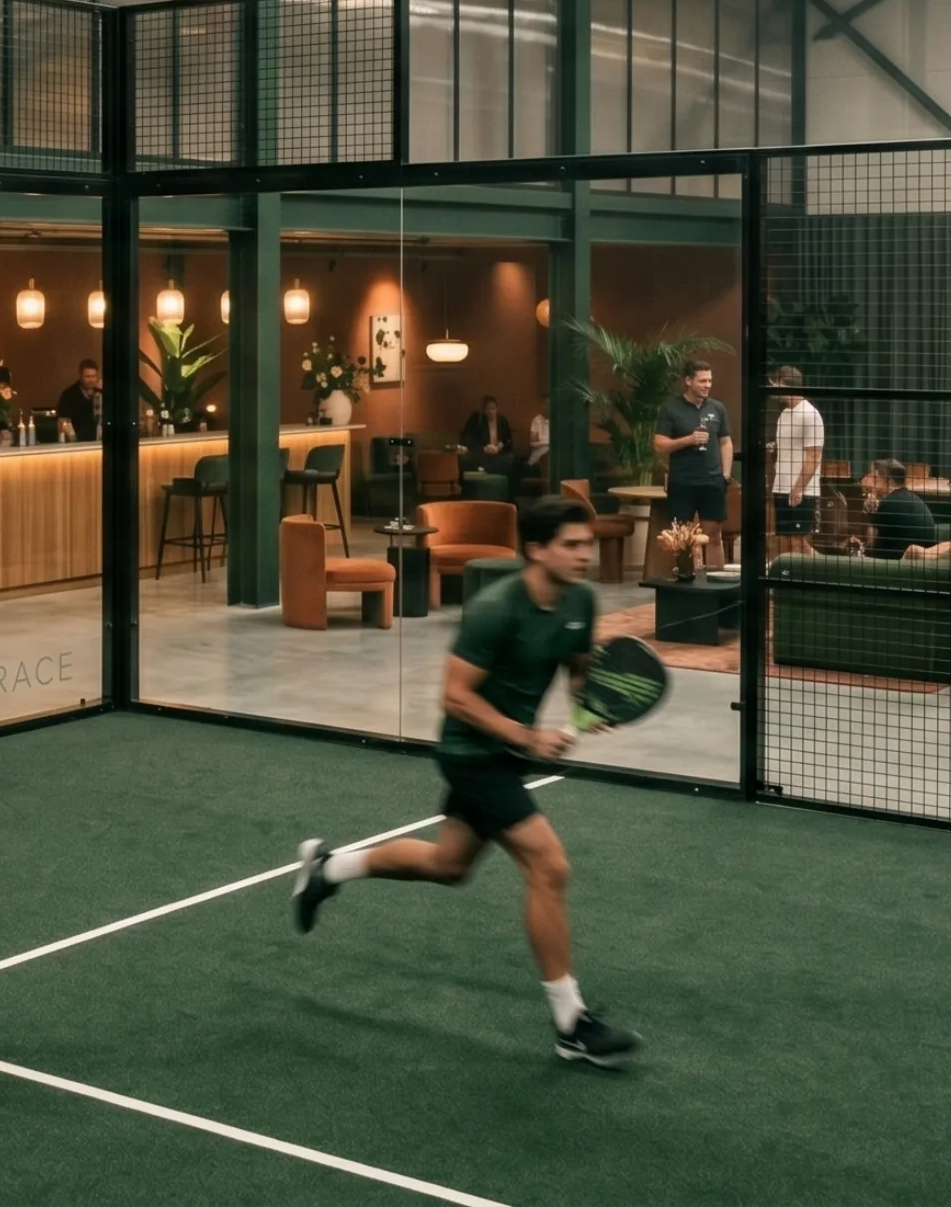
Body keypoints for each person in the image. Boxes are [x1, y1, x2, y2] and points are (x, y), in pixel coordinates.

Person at [289, 495, 638, 1069]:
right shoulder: (496, 609)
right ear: (536, 550)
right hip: (471, 753)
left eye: (588, 544)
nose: (585, 554)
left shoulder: (581, 600)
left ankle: (329, 870)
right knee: (549, 866)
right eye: (572, 545)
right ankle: (571, 1023)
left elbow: (576, 665)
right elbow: (455, 696)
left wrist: (585, 704)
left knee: (448, 865)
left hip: (506, 753)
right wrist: (527, 738)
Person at [654, 360, 733, 564]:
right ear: (688, 381)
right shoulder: (671, 409)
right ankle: (685, 580)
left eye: (710, 381)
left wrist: (725, 474)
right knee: (683, 539)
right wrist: (688, 440)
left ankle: (716, 583)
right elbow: (659, 445)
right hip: (683, 482)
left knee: (714, 536)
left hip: (712, 481)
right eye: (702, 381)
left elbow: (725, 442)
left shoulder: (717, 408)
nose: (707, 385)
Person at [858, 460, 951, 561]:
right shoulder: (914, 498)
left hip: (896, 564)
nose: (873, 484)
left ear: (888, 480)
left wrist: (871, 513)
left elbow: (871, 542)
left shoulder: (888, 504)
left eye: (876, 479)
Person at [769, 366, 824, 558]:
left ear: (784, 384)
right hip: (781, 486)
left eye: (775, 385)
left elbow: (814, 456)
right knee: (787, 541)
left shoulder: (810, 414)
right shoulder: (784, 415)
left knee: (800, 543)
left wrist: (799, 488)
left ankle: (818, 574)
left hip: (802, 490)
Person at [460, 396, 515, 473]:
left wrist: (499, 447)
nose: (491, 411)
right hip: (483, 453)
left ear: (496, 409)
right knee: (469, 458)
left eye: (493, 408)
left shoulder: (502, 421)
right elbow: (466, 439)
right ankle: (489, 468)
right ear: (483, 410)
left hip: (498, 454)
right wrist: (484, 448)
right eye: (488, 409)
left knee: (510, 459)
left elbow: (508, 441)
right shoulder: (477, 420)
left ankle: (486, 469)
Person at [53, 359, 103, 442]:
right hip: (77, 443)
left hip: (98, 442)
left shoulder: (100, 393)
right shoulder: (69, 395)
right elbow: (63, 422)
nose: (91, 380)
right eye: (87, 377)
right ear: (80, 376)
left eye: (94, 376)